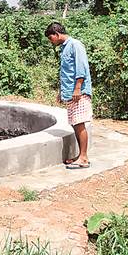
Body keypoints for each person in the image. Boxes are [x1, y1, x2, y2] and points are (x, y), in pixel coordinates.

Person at [45, 22, 93, 169]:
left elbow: (81, 68)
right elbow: (66, 73)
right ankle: (80, 156)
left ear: (57, 34)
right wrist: (62, 92)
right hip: (70, 93)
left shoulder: (75, 45)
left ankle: (84, 158)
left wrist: (78, 88)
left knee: (79, 123)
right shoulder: (64, 48)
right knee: (75, 124)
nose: (51, 41)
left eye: (51, 38)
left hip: (78, 92)